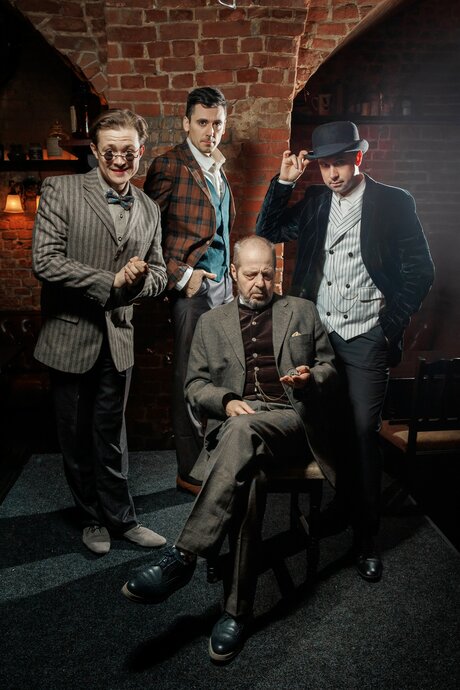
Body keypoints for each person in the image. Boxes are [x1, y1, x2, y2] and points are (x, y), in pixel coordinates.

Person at [121, 235, 337, 662]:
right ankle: (236, 612)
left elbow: (330, 367)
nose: (260, 283)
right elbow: (195, 385)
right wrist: (224, 402)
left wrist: (312, 377)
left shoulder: (302, 311)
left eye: (267, 275)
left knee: (241, 433)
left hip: (290, 423)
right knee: (248, 476)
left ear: (276, 273)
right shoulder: (211, 322)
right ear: (234, 273)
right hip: (239, 429)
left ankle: (183, 555)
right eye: (251, 274)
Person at [256, 120, 435, 582]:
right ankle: (340, 506)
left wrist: (387, 327)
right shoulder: (316, 201)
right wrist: (285, 182)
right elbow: (267, 230)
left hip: (366, 336)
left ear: (358, 158)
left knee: (361, 432)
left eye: (340, 163)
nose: (333, 173)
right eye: (325, 166)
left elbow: (421, 271)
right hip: (319, 336)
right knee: (330, 427)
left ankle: (367, 537)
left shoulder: (394, 202)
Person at [32, 109, 168, 555]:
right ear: (95, 150)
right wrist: (110, 281)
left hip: (119, 337)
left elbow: (160, 274)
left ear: (141, 152)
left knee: (111, 436)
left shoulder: (149, 208)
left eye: (128, 151)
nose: (119, 160)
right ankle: (92, 519)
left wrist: (137, 282)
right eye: (110, 152)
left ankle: (122, 519)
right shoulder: (62, 190)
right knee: (75, 437)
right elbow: (45, 261)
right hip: (71, 336)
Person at [144, 86, 235, 495]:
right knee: (189, 377)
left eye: (217, 124)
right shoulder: (169, 165)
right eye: (202, 122)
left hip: (224, 289)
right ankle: (190, 470)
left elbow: (222, 230)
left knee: (221, 375)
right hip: (192, 293)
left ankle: (216, 458)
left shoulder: (218, 166)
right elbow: (147, 235)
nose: (210, 131)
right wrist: (183, 276)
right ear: (186, 123)